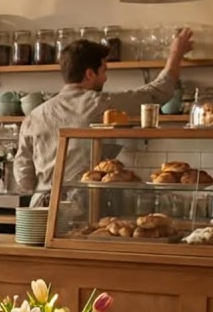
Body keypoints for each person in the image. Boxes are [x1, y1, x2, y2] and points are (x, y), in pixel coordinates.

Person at [15, 28, 194, 206]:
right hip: (79, 208)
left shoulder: (34, 115)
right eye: (104, 70)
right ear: (90, 74)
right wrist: (175, 53)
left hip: (38, 211)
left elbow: (24, 178)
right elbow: (156, 93)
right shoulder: (98, 105)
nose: (106, 78)